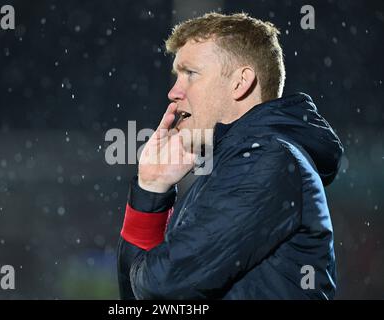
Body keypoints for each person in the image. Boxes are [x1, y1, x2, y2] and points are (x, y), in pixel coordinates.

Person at [117, 12, 343, 299]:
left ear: (240, 82)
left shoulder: (268, 159)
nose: (174, 91)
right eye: (177, 76)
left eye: (190, 74)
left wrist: (149, 276)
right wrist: (151, 189)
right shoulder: (232, 165)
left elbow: (162, 286)